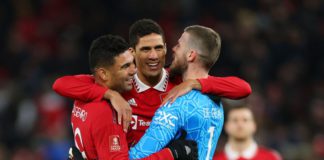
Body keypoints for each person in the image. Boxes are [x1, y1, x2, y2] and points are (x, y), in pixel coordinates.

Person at [52, 19, 252, 148]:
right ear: (132, 52)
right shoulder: (120, 83)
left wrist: (196, 84)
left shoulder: (179, 83)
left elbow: (242, 88)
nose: (154, 56)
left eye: (159, 48)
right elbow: (61, 84)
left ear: (166, 49)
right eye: (146, 49)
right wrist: (110, 95)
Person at [66, 34, 197, 160]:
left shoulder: (83, 96)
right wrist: (172, 153)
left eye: (132, 63)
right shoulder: (109, 112)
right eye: (125, 66)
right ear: (104, 74)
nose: (133, 70)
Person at [129, 25, 226, 160]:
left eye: (179, 46)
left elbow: (137, 156)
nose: (173, 49)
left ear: (191, 55)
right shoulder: (216, 101)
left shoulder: (175, 104)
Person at [213, 105, 282, 160]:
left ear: (254, 126)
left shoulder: (271, 158)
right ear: (226, 126)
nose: (240, 125)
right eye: (235, 120)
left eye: (245, 120)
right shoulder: (213, 158)